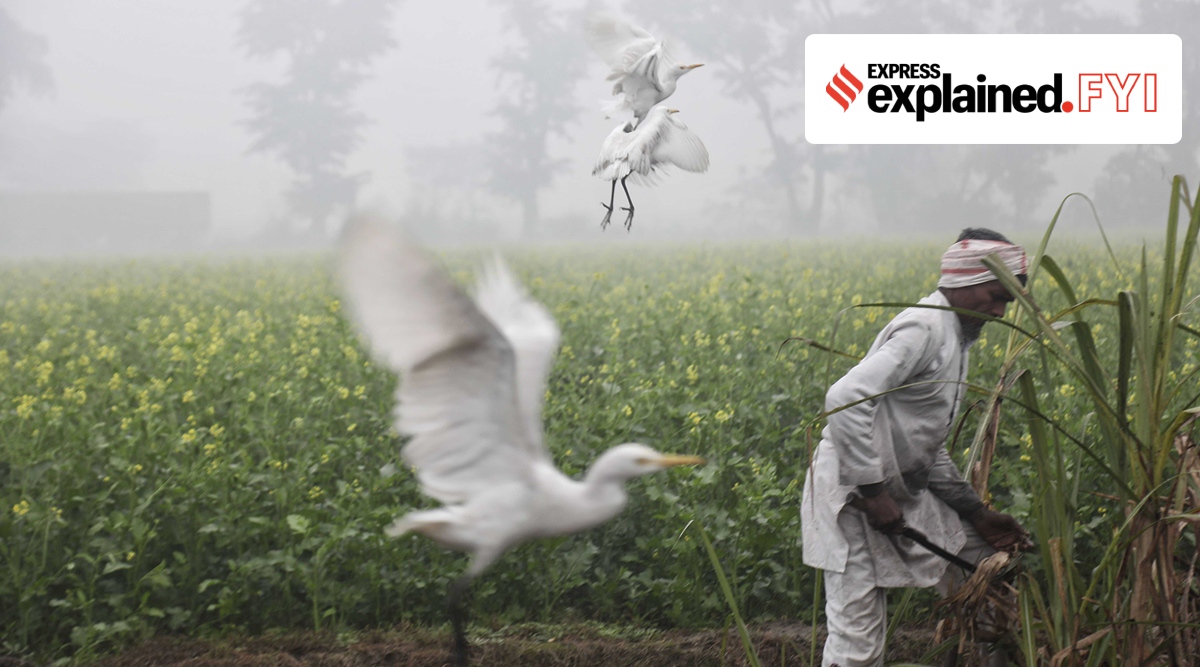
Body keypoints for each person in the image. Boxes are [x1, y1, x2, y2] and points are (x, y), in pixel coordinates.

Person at [800, 228, 1033, 667]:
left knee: (988, 568)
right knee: (858, 646)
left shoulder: (954, 336)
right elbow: (844, 399)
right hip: (851, 498)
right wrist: (873, 493)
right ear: (962, 280)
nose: (1000, 311)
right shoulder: (923, 327)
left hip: (898, 493)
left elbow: (921, 445)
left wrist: (976, 511)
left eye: (1008, 301)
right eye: (994, 295)